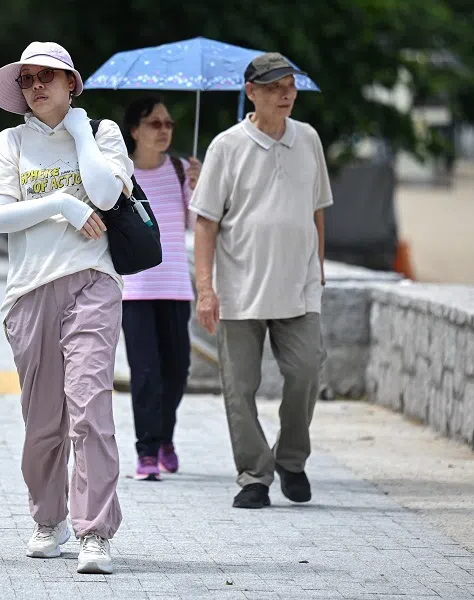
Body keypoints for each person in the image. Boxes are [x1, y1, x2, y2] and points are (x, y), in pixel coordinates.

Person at [0, 41, 134, 574]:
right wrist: (64, 206)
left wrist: (83, 131)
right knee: (43, 421)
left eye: (49, 75)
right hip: (28, 292)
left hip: (93, 281)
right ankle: (50, 520)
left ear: (73, 83)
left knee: (91, 409)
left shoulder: (104, 134)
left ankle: (95, 533)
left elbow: (107, 196)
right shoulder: (10, 141)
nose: (37, 85)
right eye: (27, 79)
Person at [190, 53, 331, 509]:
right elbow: (206, 223)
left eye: (290, 85)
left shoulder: (308, 139)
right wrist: (206, 290)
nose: (285, 94)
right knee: (240, 387)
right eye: (273, 87)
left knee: (306, 371)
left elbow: (316, 211)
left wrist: (319, 266)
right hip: (239, 290)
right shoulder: (226, 146)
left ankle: (291, 458)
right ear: (251, 92)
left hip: (299, 287)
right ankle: (254, 474)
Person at [119, 96, 201, 481]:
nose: (165, 130)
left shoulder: (181, 169)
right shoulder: (120, 173)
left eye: (169, 124)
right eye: (155, 123)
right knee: (146, 372)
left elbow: (198, 224)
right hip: (135, 290)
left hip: (176, 288)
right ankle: (147, 450)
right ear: (134, 130)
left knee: (177, 370)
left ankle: (165, 437)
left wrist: (199, 188)